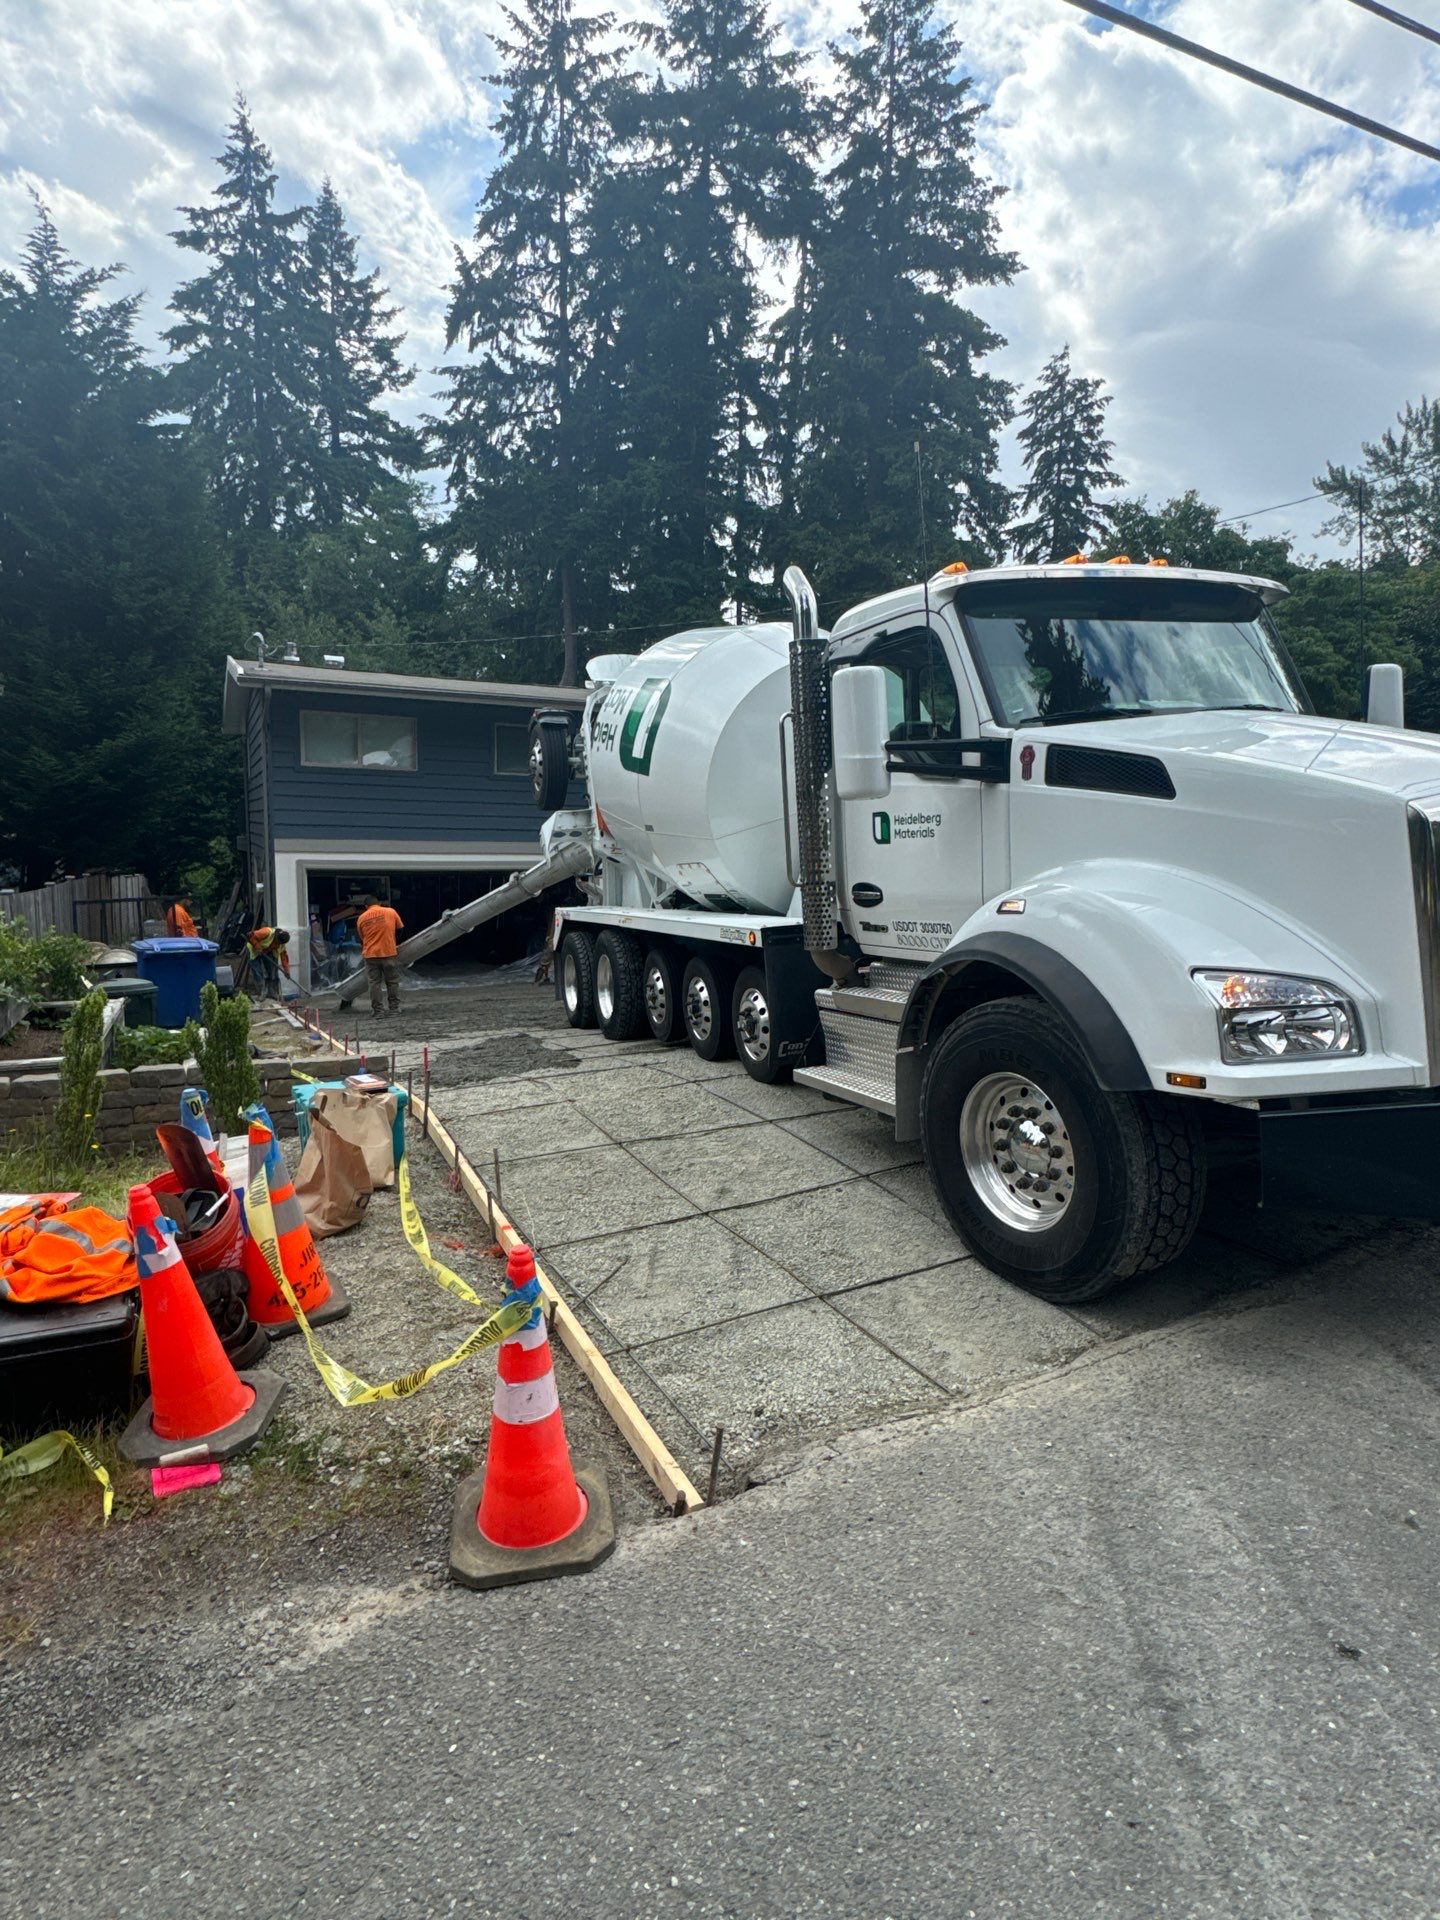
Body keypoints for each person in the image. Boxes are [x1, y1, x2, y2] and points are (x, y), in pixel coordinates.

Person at [356, 894, 404, 1016]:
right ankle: (394, 1009)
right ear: (379, 903)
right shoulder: (390, 912)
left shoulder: (361, 918)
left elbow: (362, 938)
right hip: (388, 952)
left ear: (366, 906)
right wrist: (392, 942)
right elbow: (400, 929)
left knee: (374, 983)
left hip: (371, 955)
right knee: (392, 981)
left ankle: (378, 1011)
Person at [245, 925, 291, 998]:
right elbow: (250, 936)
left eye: (279, 944)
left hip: (266, 950)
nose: (277, 945)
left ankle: (271, 992)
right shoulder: (266, 932)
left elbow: (284, 958)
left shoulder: (281, 944)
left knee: (271, 971)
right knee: (257, 972)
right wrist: (257, 946)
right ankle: (261, 992)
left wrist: (287, 970)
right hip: (253, 949)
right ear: (276, 937)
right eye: (277, 942)